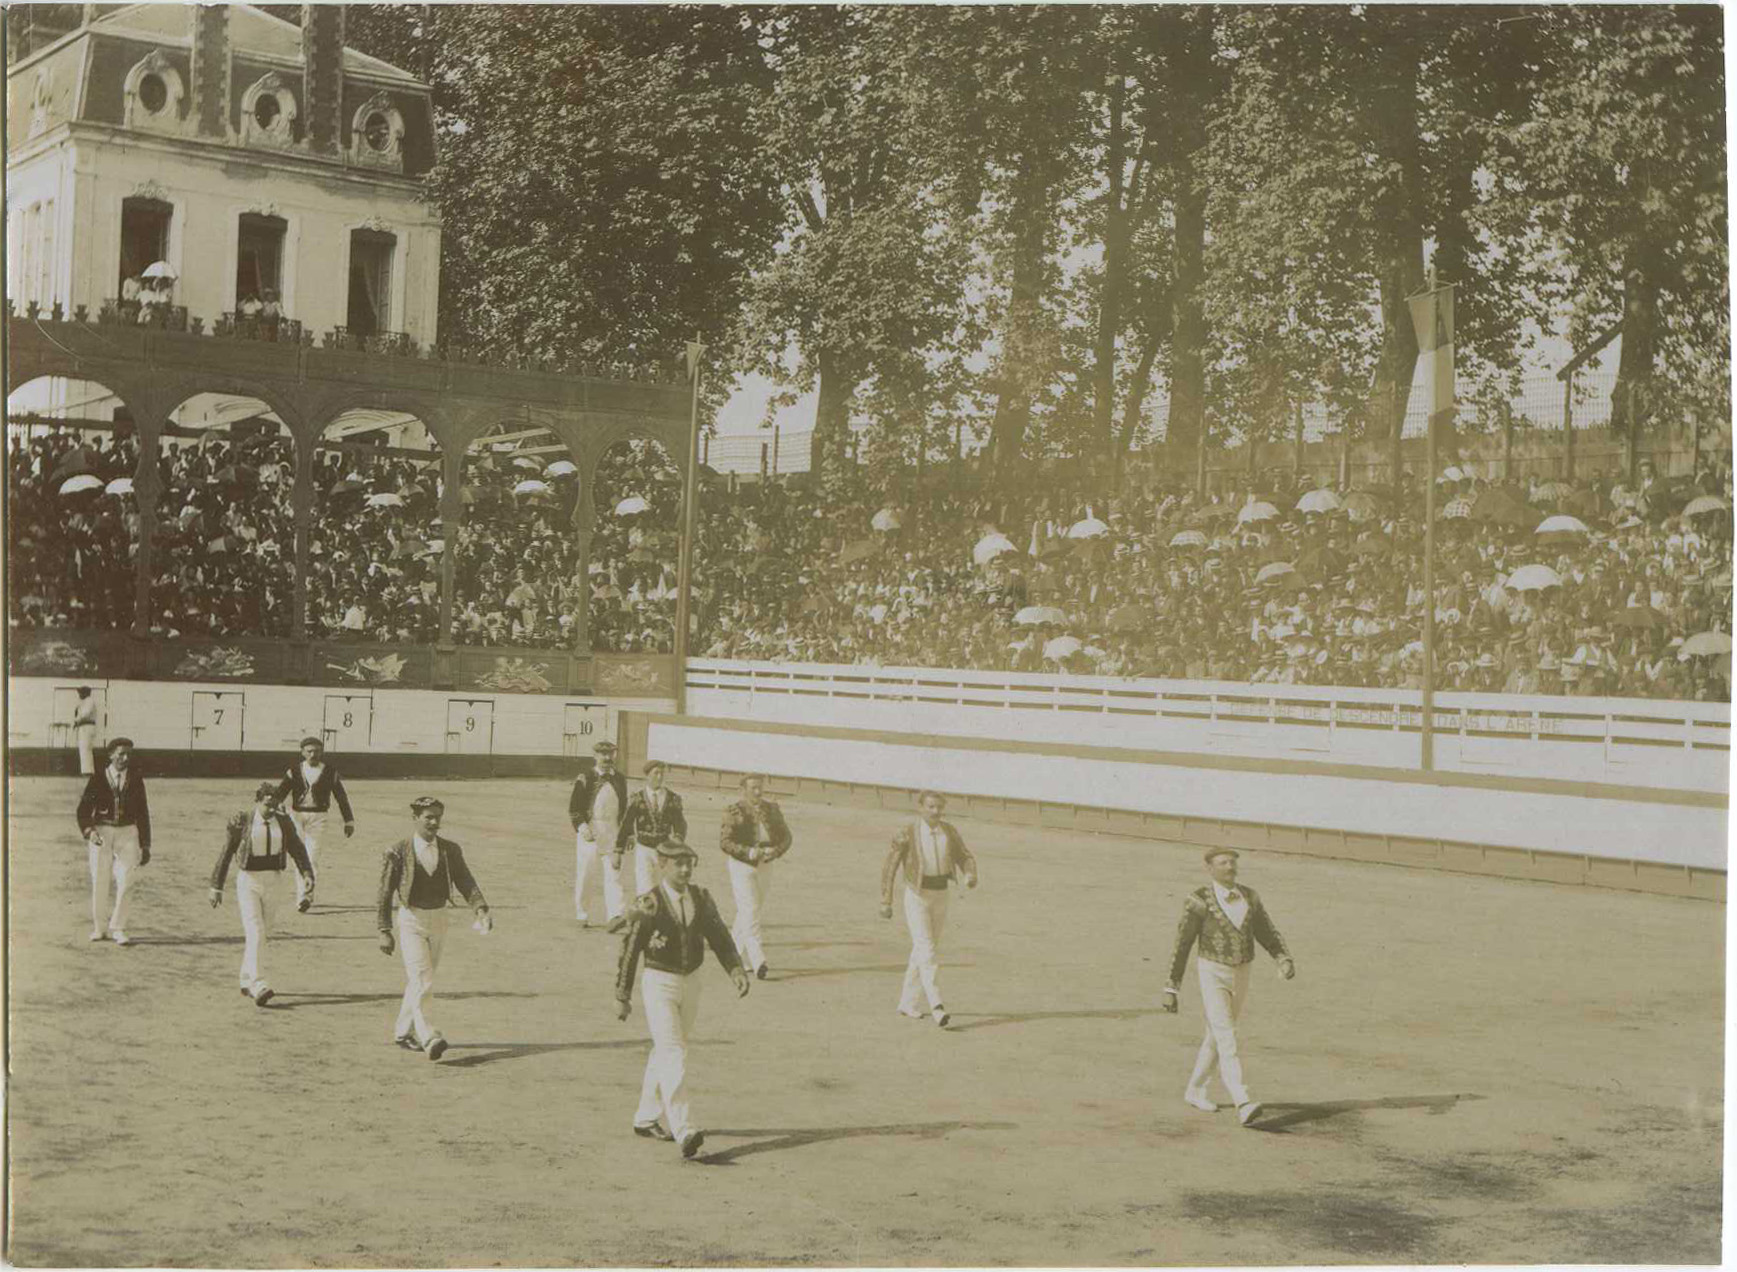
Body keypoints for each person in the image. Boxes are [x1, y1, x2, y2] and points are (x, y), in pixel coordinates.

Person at [613, 836, 750, 1160]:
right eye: (679, 864)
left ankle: (646, 1117)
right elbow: (630, 950)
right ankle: (685, 1128)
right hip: (659, 982)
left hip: (692, 981)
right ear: (662, 865)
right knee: (674, 1052)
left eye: (690, 863)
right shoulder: (649, 903)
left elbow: (718, 933)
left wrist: (735, 968)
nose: (687, 869)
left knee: (670, 1049)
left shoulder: (701, 898)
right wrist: (622, 994)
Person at [1162, 848, 1295, 1127]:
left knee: (1216, 1033)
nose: (1230, 866)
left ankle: (1195, 1089)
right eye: (1223, 863)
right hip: (1211, 971)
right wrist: (1171, 987)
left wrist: (1281, 956)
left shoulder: (1250, 896)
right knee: (1226, 1033)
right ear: (1209, 868)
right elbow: (1183, 944)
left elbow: (1265, 929)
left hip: (1243, 971)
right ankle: (1242, 1100)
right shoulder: (1198, 900)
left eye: (1233, 862)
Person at [375, 796, 492, 1061]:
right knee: (422, 979)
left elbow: (465, 879)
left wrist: (479, 906)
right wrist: (384, 929)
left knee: (421, 980)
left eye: (437, 816)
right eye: (428, 816)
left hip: (440, 918)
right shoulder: (397, 851)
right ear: (414, 818)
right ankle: (430, 1036)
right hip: (411, 919)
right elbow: (384, 892)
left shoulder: (450, 850)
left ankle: (404, 1031)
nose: (434, 822)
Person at [209, 781, 315, 1006]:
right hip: (249, 881)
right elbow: (226, 853)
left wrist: (307, 873)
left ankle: (246, 979)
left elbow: (297, 848)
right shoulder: (243, 821)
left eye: (275, 804)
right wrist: (216, 886)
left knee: (263, 933)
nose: (270, 808)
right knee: (256, 931)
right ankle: (259, 983)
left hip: (274, 879)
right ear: (257, 801)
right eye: (267, 804)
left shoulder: (284, 822)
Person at [879, 790, 978, 1027]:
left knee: (923, 950)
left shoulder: (949, 831)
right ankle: (936, 1004)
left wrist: (970, 873)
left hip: (941, 893)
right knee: (927, 949)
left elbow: (964, 856)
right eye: (931, 807)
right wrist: (886, 900)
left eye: (939, 807)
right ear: (921, 808)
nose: (935, 812)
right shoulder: (907, 833)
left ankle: (908, 1003)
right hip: (916, 895)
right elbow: (890, 866)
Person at [75, 737, 152, 945]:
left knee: (127, 879)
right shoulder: (98, 778)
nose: (125, 758)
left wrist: (145, 844)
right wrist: (90, 831)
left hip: (128, 832)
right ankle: (100, 927)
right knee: (100, 879)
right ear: (111, 755)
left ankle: (118, 927)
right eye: (121, 754)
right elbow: (83, 810)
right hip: (101, 832)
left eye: (129, 754)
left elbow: (143, 813)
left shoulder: (135, 779)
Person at [718, 773, 792, 980]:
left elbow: (787, 837)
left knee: (749, 911)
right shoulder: (734, 810)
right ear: (743, 790)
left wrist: (776, 851)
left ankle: (732, 954)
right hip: (742, 865)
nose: (758, 792)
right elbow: (725, 842)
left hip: (766, 865)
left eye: (760, 787)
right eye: (753, 788)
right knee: (750, 911)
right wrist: (749, 852)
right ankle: (758, 959)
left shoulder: (771, 809)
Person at [272, 736, 356, 913]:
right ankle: (302, 895)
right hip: (296, 816)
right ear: (302, 752)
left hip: (319, 818)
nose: (313, 754)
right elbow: (280, 793)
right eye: (309, 751)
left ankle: (306, 896)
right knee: (299, 856)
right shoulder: (294, 771)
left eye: (316, 751)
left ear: (322, 752)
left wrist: (349, 820)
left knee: (312, 856)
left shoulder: (330, 772)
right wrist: (276, 807)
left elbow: (341, 797)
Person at [569, 740, 628, 930]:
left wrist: (627, 834)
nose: (607, 758)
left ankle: (615, 915)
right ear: (595, 756)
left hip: (612, 831)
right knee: (587, 873)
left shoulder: (620, 779)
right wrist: (582, 827)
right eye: (602, 754)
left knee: (614, 874)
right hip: (591, 830)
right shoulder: (585, 778)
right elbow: (574, 808)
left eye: (610, 754)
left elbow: (624, 808)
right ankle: (582, 914)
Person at [617, 759, 687, 899]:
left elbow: (680, 823)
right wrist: (618, 849)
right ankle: (645, 919)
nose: (659, 777)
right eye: (656, 773)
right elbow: (627, 823)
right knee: (644, 888)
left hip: (665, 850)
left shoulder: (673, 798)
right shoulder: (637, 798)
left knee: (666, 888)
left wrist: (677, 841)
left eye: (662, 773)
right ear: (647, 775)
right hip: (644, 849)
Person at [72, 686, 97, 775]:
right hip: (83, 727)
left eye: (81, 692)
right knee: (83, 749)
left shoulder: (89, 701)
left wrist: (76, 719)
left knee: (86, 748)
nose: (79, 694)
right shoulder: (84, 702)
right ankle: (86, 771)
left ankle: (88, 771)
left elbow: (85, 714)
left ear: (85, 693)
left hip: (87, 727)